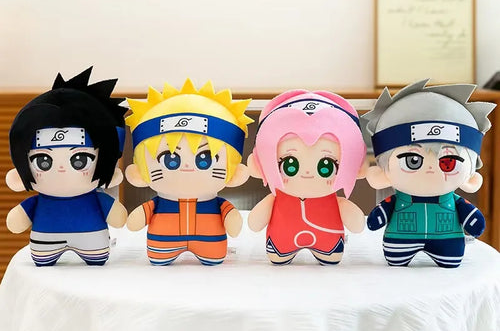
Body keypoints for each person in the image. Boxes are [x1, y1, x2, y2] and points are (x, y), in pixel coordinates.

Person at [363, 79, 495, 267]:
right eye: (413, 160)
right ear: (382, 174)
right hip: (401, 239)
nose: (431, 169)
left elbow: (473, 219)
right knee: (397, 260)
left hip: (447, 240)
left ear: (471, 177)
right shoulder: (397, 200)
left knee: (450, 260)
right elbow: (378, 217)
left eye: (448, 162)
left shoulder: (454, 201)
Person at [6, 67, 128, 266]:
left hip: (91, 239)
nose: (61, 169)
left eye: (80, 159)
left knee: (96, 256)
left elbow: (119, 218)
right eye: (43, 161)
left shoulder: (97, 196)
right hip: (48, 240)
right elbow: (15, 223)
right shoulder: (38, 200)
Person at [125, 79, 252, 265]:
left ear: (235, 172)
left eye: (204, 159)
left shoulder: (215, 203)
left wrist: (232, 218)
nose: (186, 167)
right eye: (170, 160)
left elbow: (231, 219)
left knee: (213, 257)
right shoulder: (158, 203)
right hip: (163, 242)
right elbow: (134, 222)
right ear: (139, 172)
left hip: (209, 242)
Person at [247, 89, 367, 265]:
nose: (308, 173)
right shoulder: (275, 198)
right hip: (281, 241)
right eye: (290, 165)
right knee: (279, 256)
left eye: (326, 166)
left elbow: (357, 225)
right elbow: (254, 223)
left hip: (328, 240)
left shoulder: (336, 202)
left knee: (330, 256)